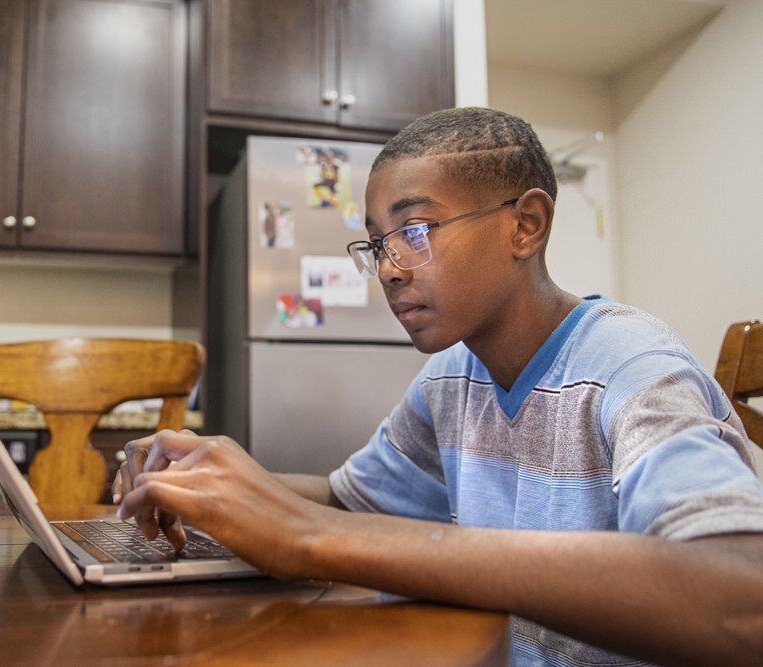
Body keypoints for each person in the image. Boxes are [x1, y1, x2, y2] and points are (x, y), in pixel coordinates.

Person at [115, 107, 763, 665]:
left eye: (415, 232)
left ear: (526, 224)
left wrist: (307, 537)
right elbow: (351, 504)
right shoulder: (450, 379)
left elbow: (742, 597)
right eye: (376, 246)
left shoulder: (630, 367)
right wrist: (207, 477)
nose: (391, 269)